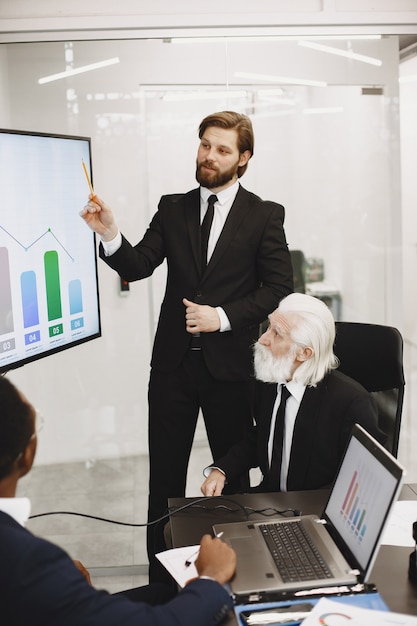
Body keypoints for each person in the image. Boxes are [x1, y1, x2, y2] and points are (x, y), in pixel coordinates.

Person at [80, 110, 293, 581]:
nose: (209, 156)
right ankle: (162, 589)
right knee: (165, 485)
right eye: (204, 145)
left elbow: (279, 287)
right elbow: (138, 265)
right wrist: (111, 233)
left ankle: (240, 580)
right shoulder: (172, 206)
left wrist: (222, 318)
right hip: (173, 368)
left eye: (221, 149)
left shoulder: (263, 214)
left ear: (243, 159)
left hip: (232, 370)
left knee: (232, 483)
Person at [0, 375, 236, 626]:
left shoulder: (31, 564)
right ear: (27, 455)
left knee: (161, 593)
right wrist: (211, 577)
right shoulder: (30, 563)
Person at [201, 293, 386, 497]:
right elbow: (264, 436)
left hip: (316, 509)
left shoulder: (351, 403)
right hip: (270, 503)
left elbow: (361, 479)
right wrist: (222, 470)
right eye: (268, 327)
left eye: (277, 334)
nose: (263, 339)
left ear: (304, 353)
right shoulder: (270, 380)